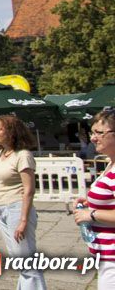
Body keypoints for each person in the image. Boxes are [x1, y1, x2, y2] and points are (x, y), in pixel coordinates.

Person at [0, 115, 45, 290]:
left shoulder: (23, 155)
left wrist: (23, 220)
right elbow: (1, 184)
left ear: (11, 133)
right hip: (2, 208)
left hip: (17, 209)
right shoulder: (2, 154)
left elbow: (28, 190)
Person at [71, 110, 115, 287]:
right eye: (93, 132)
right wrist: (89, 202)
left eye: (99, 133)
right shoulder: (110, 164)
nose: (93, 138)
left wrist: (92, 214)